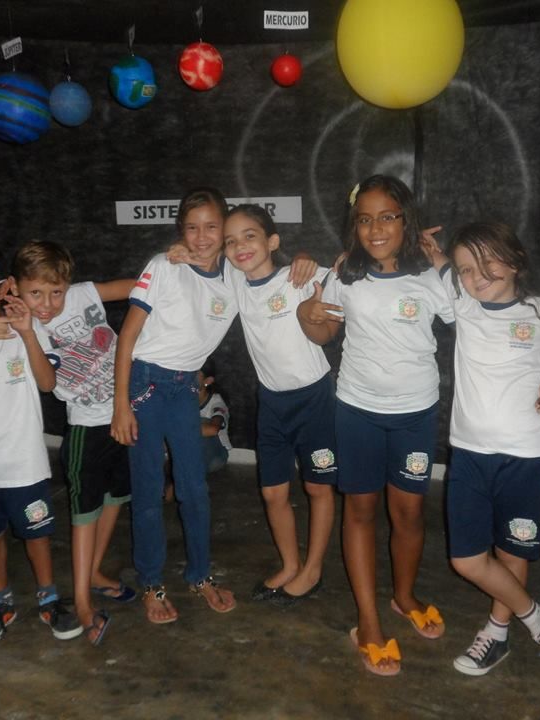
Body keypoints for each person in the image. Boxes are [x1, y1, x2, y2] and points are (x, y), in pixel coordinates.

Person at [0, 240, 136, 646]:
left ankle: (56, 594)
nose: (46, 303)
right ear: (15, 288)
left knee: (53, 525)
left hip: (34, 457)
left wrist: (24, 333)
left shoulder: (40, 321)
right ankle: (7, 600)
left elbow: (46, 380)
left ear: (2, 286)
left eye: (55, 292)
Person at [297, 175, 451, 676]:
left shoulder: (430, 278)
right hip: (357, 411)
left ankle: (403, 597)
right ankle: (367, 620)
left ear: (407, 221)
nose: (376, 228)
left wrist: (442, 261)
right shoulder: (345, 275)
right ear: (354, 226)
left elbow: (475, 318)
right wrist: (306, 313)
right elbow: (323, 332)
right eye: (365, 219)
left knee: (409, 514)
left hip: (415, 414)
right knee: (360, 512)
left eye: (387, 216)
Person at [434, 221, 540, 678]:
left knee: (513, 550)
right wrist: (427, 244)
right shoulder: (463, 305)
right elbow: (433, 259)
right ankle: (536, 615)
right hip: (469, 454)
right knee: (466, 559)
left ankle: (497, 632)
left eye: (487, 263)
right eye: (466, 269)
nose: (476, 277)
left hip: (524, 456)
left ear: (515, 261)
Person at [110, 187, 240, 623]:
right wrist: (121, 405)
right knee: (148, 492)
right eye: (191, 228)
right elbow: (127, 337)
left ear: (225, 227)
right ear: (180, 230)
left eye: (211, 226)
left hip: (185, 388)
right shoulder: (164, 266)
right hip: (145, 385)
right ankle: (152, 583)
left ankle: (200, 575)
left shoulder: (235, 277)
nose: (201, 237)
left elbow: (267, 263)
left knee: (194, 490)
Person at [221, 204, 336, 607]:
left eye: (250, 236)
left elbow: (343, 274)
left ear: (272, 241)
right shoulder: (234, 280)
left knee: (318, 487)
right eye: (230, 241)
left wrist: (306, 258)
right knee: (273, 494)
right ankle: (290, 565)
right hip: (271, 402)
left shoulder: (297, 277)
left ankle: (313, 570)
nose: (240, 246)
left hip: (315, 399)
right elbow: (197, 259)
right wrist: (181, 251)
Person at [196, 368, 231, 475]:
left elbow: (213, 430)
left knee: (202, 423)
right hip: (193, 452)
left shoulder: (216, 402)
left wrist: (177, 428)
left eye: (195, 374)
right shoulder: (184, 399)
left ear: (207, 381)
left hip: (216, 456)